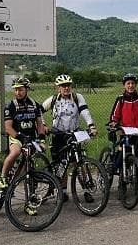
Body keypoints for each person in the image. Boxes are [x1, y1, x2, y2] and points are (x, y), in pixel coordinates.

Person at [41, 74, 97, 202]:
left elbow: (84, 111)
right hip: (58, 134)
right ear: (58, 88)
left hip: (74, 133)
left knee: (79, 162)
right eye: (63, 86)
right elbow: (38, 111)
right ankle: (64, 191)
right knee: (61, 164)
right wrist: (43, 125)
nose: (66, 88)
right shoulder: (53, 99)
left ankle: (86, 190)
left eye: (68, 85)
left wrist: (91, 125)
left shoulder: (77, 97)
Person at [0, 77, 46, 214]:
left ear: (27, 90)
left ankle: (29, 204)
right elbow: (8, 128)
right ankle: (2, 177)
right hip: (17, 138)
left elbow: (40, 124)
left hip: (31, 139)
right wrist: (20, 137)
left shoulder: (34, 105)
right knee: (15, 152)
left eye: (21, 89)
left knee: (28, 172)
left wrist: (42, 139)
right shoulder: (11, 105)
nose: (18, 92)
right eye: (16, 90)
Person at [109, 73, 138, 196]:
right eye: (128, 84)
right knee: (124, 159)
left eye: (133, 83)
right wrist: (114, 124)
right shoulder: (120, 99)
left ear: (136, 85)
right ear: (124, 85)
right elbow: (114, 116)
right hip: (125, 133)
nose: (131, 86)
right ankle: (122, 185)